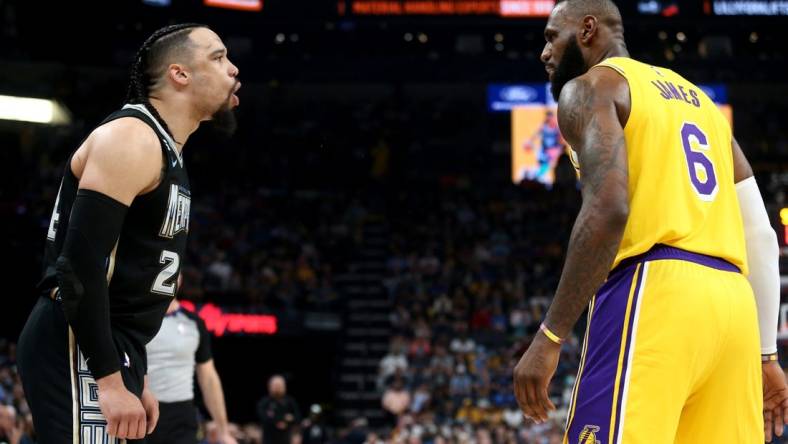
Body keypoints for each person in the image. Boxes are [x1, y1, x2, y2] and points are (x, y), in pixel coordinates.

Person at [512, 1, 788, 443]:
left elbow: (609, 210)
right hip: (734, 309)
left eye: (550, 37)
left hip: (655, 291)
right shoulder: (702, 103)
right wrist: (766, 353)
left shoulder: (591, 88)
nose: (544, 53)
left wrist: (550, 335)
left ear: (587, 29)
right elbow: (760, 232)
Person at [17, 23, 240, 442]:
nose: (233, 69)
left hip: (113, 347)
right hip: (76, 341)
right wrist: (109, 379)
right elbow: (79, 267)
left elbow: (131, 273)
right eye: (218, 57)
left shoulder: (167, 149)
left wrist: (138, 374)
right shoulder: (132, 137)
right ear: (180, 74)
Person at [146, 296, 237, 444]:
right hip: (142, 410)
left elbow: (208, 379)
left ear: (179, 277)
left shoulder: (194, 323)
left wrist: (223, 431)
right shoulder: (134, 319)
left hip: (181, 415)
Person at [256, 376, 301, 444]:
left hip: (286, 439)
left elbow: (297, 417)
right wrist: (284, 418)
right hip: (269, 439)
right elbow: (264, 418)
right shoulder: (264, 402)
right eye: (276, 385)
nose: (278, 387)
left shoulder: (290, 401)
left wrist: (278, 418)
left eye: (280, 385)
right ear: (270, 386)